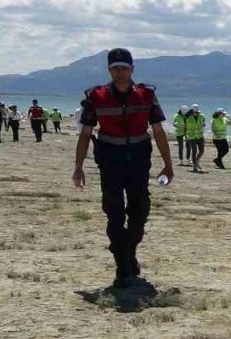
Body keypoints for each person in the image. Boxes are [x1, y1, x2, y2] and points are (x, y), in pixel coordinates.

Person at [72, 48, 174, 287]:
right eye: (115, 68)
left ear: (132, 69)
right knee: (114, 211)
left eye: (124, 68)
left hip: (139, 157)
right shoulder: (95, 96)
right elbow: (85, 133)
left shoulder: (146, 95)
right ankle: (122, 264)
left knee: (140, 211)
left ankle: (129, 249)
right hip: (110, 158)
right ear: (109, 70)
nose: (120, 72)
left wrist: (168, 165)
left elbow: (158, 131)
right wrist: (78, 166)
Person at [184, 104, 205, 172]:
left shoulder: (202, 117)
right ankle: (194, 166)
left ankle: (197, 160)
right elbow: (185, 127)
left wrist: (202, 129)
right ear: (192, 112)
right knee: (194, 151)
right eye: (195, 112)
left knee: (202, 151)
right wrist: (185, 136)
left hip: (199, 136)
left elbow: (203, 124)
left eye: (197, 112)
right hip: (191, 137)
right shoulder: (187, 118)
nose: (196, 113)